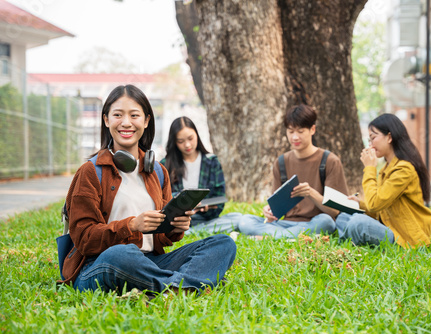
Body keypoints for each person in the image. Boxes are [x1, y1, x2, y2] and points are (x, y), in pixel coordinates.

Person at [61, 85, 236, 296]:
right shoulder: (90, 172)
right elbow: (84, 239)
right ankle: (189, 284)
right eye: (118, 115)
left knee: (223, 243)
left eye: (134, 115)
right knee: (122, 254)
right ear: (106, 120)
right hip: (100, 264)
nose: (126, 122)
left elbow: (160, 239)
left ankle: (169, 288)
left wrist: (175, 226)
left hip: (149, 262)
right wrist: (132, 225)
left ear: (146, 121)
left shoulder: (158, 172)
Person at [238, 104, 349, 239]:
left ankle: (270, 237)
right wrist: (270, 211)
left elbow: (335, 211)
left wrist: (311, 193)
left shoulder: (329, 161)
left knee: (326, 222)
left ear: (312, 129)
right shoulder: (281, 162)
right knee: (245, 221)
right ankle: (288, 237)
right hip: (285, 224)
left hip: (314, 222)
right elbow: (277, 208)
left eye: (300, 131)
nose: (295, 137)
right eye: (290, 132)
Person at [336, 113, 431, 247]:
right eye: (369, 140)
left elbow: (376, 204)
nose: (370, 145)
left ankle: (347, 241)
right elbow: (381, 210)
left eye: (373, 138)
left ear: (389, 137)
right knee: (343, 217)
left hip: (405, 239)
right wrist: (360, 205)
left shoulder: (404, 169)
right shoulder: (387, 169)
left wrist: (369, 168)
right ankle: (351, 239)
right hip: (390, 227)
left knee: (358, 223)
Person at [161, 116, 241, 234]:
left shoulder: (212, 162)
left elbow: (219, 200)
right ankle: (188, 231)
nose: (187, 145)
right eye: (181, 141)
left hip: (205, 220)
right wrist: (185, 202)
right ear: (174, 142)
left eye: (190, 138)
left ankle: (192, 231)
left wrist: (205, 208)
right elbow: (161, 200)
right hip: (177, 222)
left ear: (197, 135)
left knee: (237, 217)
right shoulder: (165, 165)